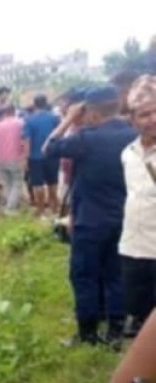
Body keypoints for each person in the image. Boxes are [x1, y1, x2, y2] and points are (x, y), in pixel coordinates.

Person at [44, 85, 138, 345]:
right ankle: (116, 331)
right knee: (115, 273)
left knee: (83, 274)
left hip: (89, 219)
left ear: (92, 113)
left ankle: (87, 333)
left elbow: (48, 149)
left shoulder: (86, 138)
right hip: (123, 216)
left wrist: (67, 120)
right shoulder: (133, 135)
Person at [119, 75, 156, 338]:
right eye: (145, 114)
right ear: (132, 120)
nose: (152, 119)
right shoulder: (128, 154)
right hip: (133, 247)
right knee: (139, 315)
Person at [23, 94, 61, 217]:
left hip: (35, 157)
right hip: (53, 155)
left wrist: (26, 158)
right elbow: (59, 136)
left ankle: (40, 210)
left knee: (37, 184)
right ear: (46, 103)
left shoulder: (29, 120)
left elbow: (27, 141)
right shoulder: (55, 118)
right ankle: (54, 208)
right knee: (53, 183)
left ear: (34, 104)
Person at [0, 105, 27, 212]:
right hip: (16, 158)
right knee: (17, 183)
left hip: (1, 158)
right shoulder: (21, 123)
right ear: (14, 111)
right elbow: (24, 140)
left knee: (7, 183)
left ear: (4, 113)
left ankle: (10, 204)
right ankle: (10, 208)